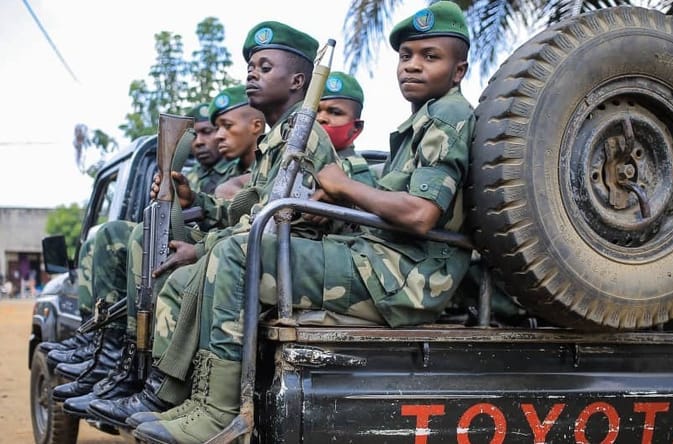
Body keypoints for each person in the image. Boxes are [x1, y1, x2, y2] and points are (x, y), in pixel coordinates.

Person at [130, 3, 474, 442]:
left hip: (406, 277)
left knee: (239, 254)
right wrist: (325, 202)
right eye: (406, 56)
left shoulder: (448, 116)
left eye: (430, 56)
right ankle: (195, 400)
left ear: (459, 69)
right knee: (229, 251)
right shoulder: (424, 120)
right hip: (381, 261)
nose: (412, 66)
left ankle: (219, 414)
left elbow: (422, 215)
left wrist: (340, 187)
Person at [86, 21, 339, 433]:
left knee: (193, 274)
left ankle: (179, 397)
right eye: (250, 67)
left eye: (264, 66)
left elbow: (276, 225)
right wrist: (196, 202)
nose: (251, 74)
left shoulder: (303, 137)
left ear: (297, 80)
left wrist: (202, 250)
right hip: (260, 252)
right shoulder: (280, 139)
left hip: (285, 261)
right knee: (160, 252)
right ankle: (155, 386)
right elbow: (249, 210)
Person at [50, 89, 266, 417]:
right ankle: (112, 355)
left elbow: (247, 221)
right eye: (209, 129)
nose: (214, 137)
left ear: (257, 126)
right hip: (215, 256)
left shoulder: (251, 174)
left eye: (221, 127)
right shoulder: (209, 175)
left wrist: (199, 231)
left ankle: (145, 371)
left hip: (225, 263)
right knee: (115, 233)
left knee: (144, 240)